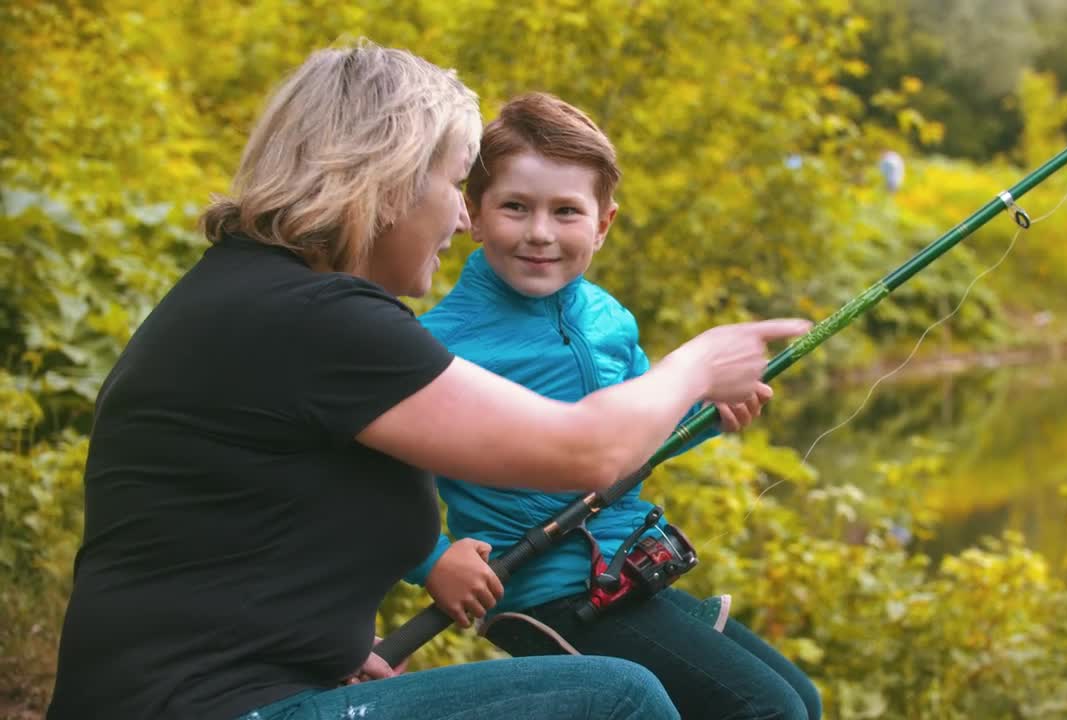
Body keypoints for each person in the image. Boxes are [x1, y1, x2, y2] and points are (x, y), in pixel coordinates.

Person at [45, 42, 810, 720]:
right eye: (454, 185)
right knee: (621, 698)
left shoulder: (261, 296)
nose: (460, 221)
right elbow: (588, 451)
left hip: (244, 691)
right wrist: (699, 364)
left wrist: (316, 649)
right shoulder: (318, 320)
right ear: (387, 181)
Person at [405, 92, 822, 720]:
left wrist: (705, 407)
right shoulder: (441, 344)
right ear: (474, 212)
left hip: (626, 577)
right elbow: (369, 483)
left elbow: (639, 435)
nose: (539, 232)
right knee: (767, 711)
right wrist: (432, 558)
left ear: (603, 224)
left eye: (566, 211)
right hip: (546, 594)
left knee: (803, 700)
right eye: (516, 207)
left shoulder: (607, 318)